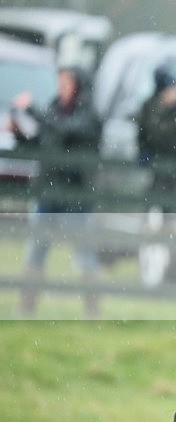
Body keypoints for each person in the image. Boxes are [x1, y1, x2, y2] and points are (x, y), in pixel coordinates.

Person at [10, 66, 102, 317]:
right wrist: (19, 132)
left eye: (66, 82)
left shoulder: (88, 116)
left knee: (84, 255)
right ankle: (26, 310)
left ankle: (92, 312)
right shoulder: (52, 109)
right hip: (48, 195)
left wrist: (31, 109)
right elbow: (43, 142)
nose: (61, 86)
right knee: (35, 253)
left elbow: (66, 130)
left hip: (75, 197)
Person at [137, 65, 176, 204]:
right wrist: (144, 151)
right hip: (155, 161)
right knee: (152, 196)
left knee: (172, 198)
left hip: (174, 162)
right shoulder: (149, 106)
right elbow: (142, 132)